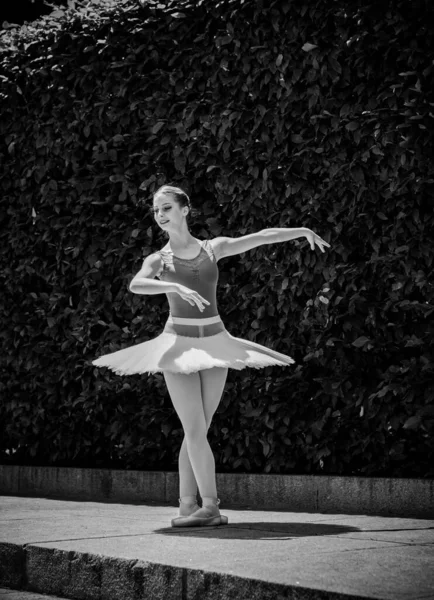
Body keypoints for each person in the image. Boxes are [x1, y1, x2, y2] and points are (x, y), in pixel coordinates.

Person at [92, 184, 330, 527]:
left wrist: (302, 230)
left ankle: (188, 506)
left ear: (185, 210)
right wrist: (171, 285)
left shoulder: (211, 248)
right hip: (177, 345)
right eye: (156, 210)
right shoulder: (158, 259)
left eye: (167, 208)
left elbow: (261, 236)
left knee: (198, 429)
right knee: (194, 429)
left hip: (216, 342)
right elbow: (136, 284)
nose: (160, 215)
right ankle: (210, 507)